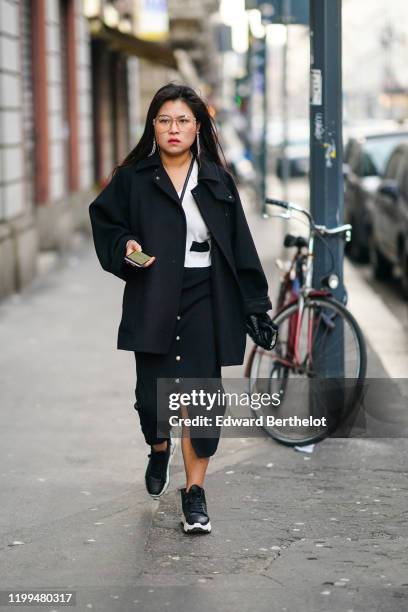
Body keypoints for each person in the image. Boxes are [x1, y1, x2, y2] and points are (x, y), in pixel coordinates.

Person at [88, 83, 274, 535]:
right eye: (165, 120)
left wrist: (255, 306)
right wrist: (125, 247)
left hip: (205, 296)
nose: (174, 129)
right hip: (153, 293)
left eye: (183, 120)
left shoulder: (215, 179)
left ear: (198, 127)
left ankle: (194, 493)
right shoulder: (134, 178)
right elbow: (105, 223)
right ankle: (158, 447)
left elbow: (240, 246)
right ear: (153, 125)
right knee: (153, 398)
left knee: (202, 400)